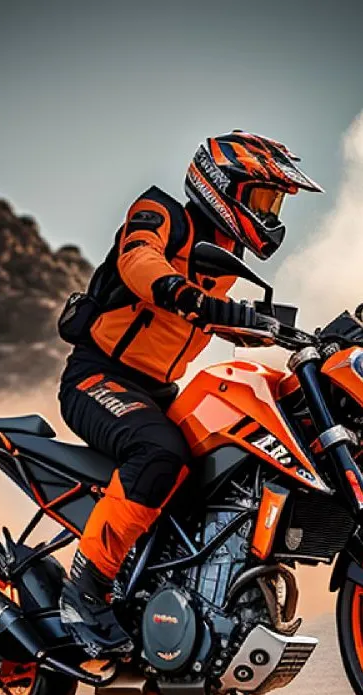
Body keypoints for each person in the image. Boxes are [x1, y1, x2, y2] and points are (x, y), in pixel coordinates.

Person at [58, 130, 322, 656]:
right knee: (160, 452)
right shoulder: (160, 214)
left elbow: (212, 314)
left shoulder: (220, 253)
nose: (269, 215)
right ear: (223, 186)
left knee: (222, 466)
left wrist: (265, 326)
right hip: (97, 378)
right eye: (262, 198)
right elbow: (140, 263)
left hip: (156, 391)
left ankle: (200, 600)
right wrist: (190, 296)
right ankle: (83, 591)